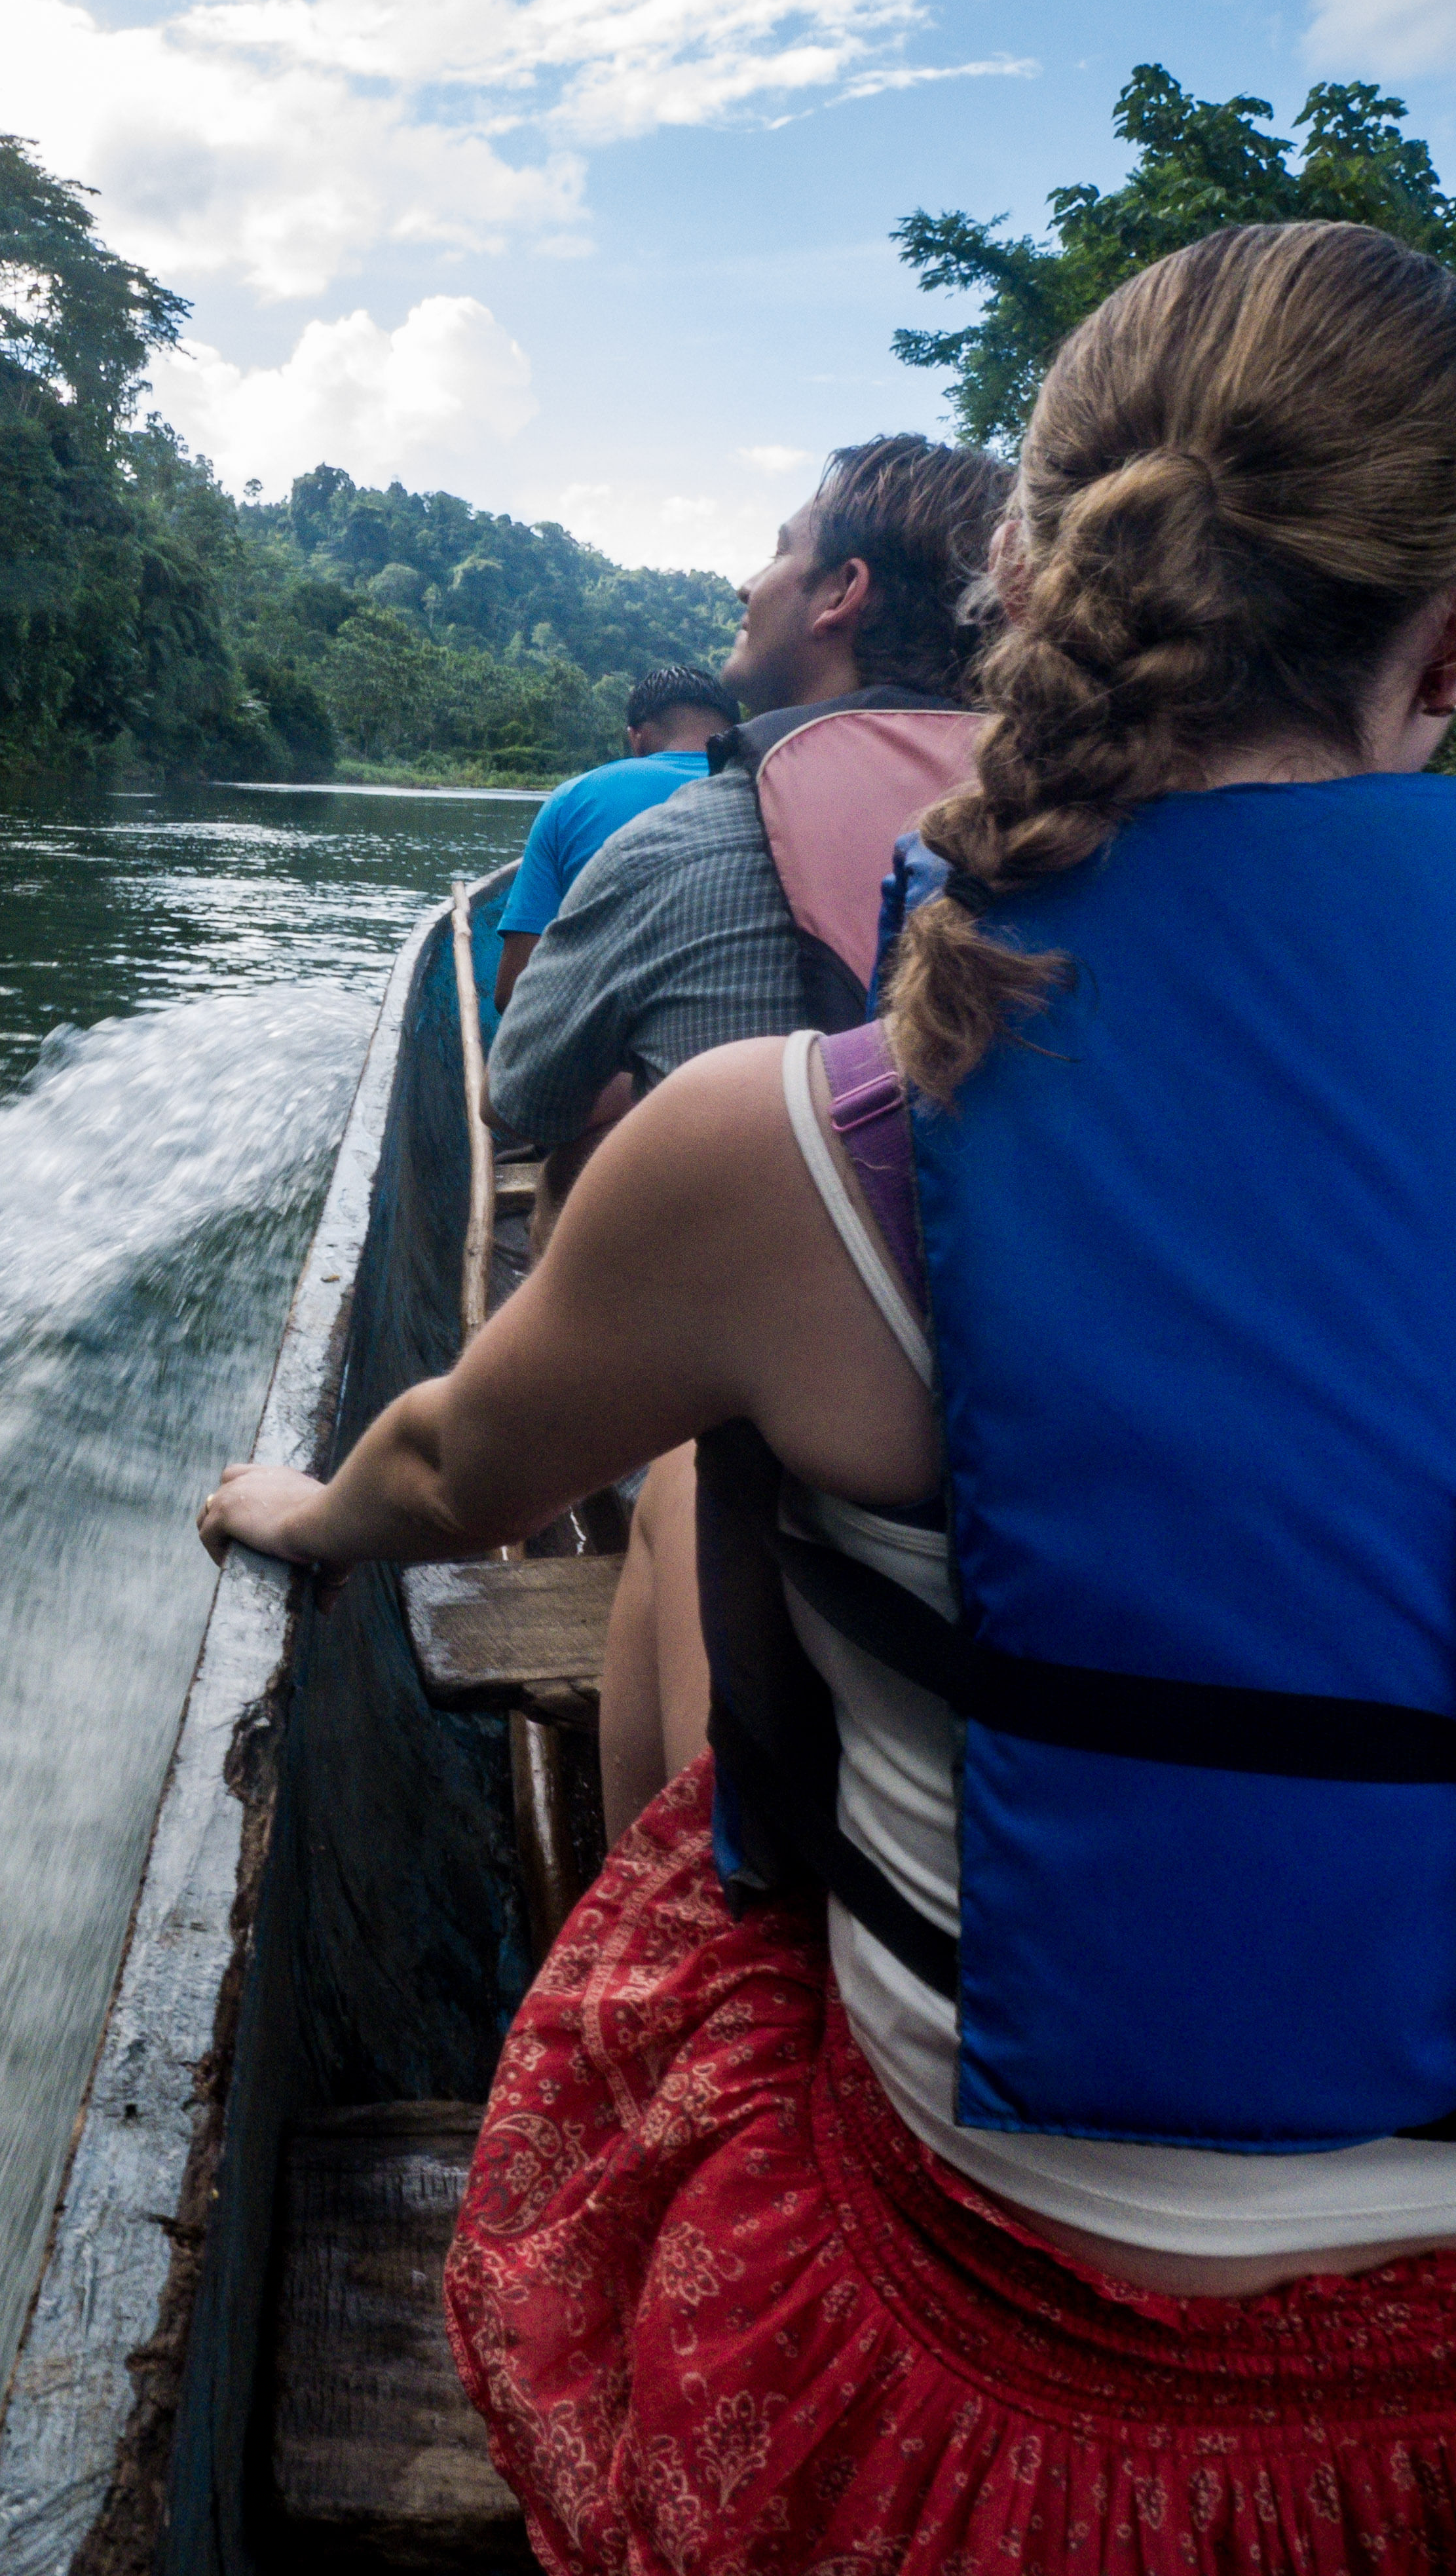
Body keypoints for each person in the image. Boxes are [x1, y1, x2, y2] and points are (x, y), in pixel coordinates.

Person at [200, 220, 1456, 2570]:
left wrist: (315, 1514)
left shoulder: (792, 1150)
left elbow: (458, 1459)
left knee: (700, 1520)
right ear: (1445, 651)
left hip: (965, 2398)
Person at [484, 436, 1008, 1174]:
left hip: (769, 1273)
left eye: (777, 553)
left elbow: (515, 1103)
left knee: (572, 1170)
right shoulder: (1076, 825)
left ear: (840, 593)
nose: (745, 583)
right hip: (993, 1265)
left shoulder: (679, 845)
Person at [491, 666, 736, 1014]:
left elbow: (514, 993)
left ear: (635, 736)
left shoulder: (572, 798)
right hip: (752, 1047)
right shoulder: (774, 787)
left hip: (608, 1048)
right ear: (734, 731)